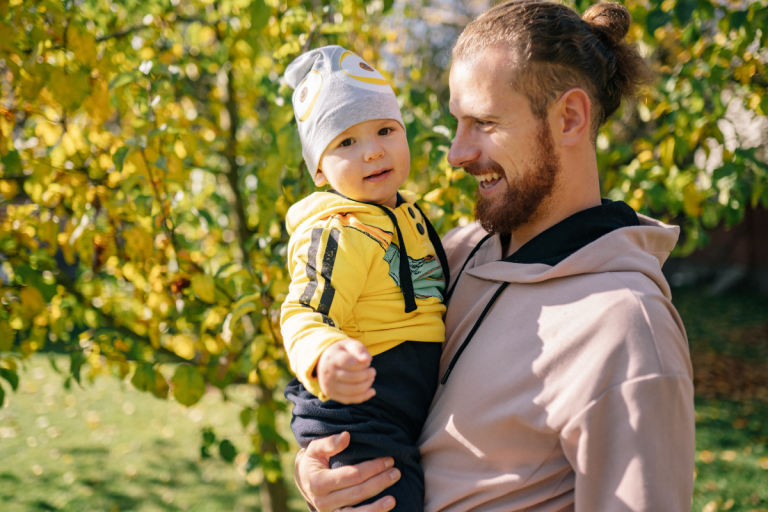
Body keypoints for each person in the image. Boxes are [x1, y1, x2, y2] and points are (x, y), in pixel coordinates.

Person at [293, 2, 696, 511]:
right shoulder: (451, 256)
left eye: (483, 122)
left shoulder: (628, 330)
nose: (456, 153)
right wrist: (322, 469)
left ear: (569, 117)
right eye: (457, 123)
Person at [280, 45, 451, 512]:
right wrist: (325, 356)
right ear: (319, 169)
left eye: (384, 130)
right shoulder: (339, 230)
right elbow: (301, 309)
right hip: (355, 415)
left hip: (402, 409)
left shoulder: (410, 217)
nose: (373, 150)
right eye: (345, 142)